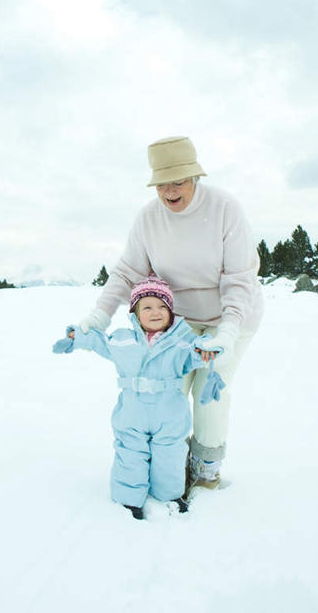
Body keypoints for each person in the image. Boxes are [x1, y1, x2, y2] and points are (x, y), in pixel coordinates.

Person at [78, 136, 263, 492]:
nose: (169, 191)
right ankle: (168, 459)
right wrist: (100, 315)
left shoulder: (225, 209)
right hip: (177, 322)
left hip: (231, 316)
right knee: (167, 388)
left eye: (178, 181)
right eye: (162, 184)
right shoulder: (149, 219)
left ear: (196, 177)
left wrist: (226, 332)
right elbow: (127, 271)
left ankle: (207, 469)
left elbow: (240, 279)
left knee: (211, 388)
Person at [53, 276, 225, 520]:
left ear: (171, 311)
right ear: (134, 312)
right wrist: (77, 337)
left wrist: (206, 349)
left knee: (170, 452)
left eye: (162, 306)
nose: (156, 312)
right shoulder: (123, 339)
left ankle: (170, 495)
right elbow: (100, 341)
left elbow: (198, 348)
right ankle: (128, 499)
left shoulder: (180, 340)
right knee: (130, 451)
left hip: (169, 412)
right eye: (147, 307)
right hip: (132, 411)